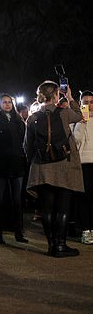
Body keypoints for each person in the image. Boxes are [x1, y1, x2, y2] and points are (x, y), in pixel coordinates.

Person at [25, 82, 83, 257]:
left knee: (47, 209)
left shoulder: (32, 117)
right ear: (57, 95)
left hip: (42, 168)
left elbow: (27, 146)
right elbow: (81, 115)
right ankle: (61, 245)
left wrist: (34, 162)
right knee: (63, 208)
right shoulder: (64, 113)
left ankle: (51, 246)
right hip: (64, 166)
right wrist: (71, 97)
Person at [0, 94, 28, 244]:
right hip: (0, 163)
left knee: (17, 200)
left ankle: (18, 232)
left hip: (16, 163)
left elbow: (23, 140)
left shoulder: (18, 120)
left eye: (9, 102)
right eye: (4, 102)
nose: (7, 105)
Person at [74, 90, 93, 244]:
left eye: (91, 102)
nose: (89, 105)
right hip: (82, 163)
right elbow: (75, 141)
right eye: (85, 102)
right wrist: (82, 122)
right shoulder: (76, 121)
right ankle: (86, 230)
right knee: (84, 198)